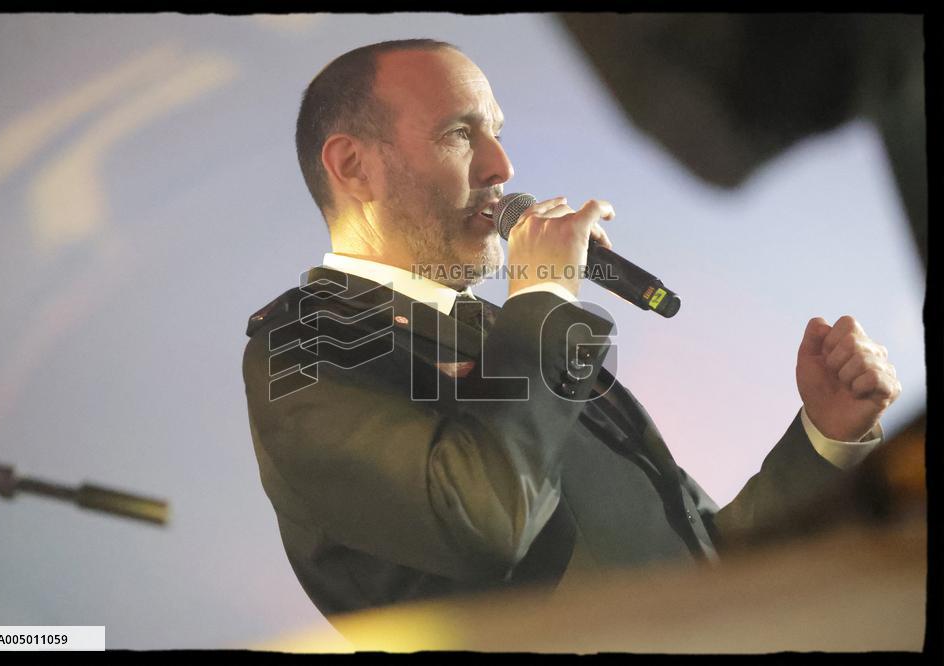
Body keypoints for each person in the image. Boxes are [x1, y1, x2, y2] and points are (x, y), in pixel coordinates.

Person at [242, 39, 901, 625]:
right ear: (353, 166)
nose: (501, 164)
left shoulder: (520, 334)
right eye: (458, 134)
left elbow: (696, 555)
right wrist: (545, 297)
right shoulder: (305, 345)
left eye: (497, 132)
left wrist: (825, 436)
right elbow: (483, 519)